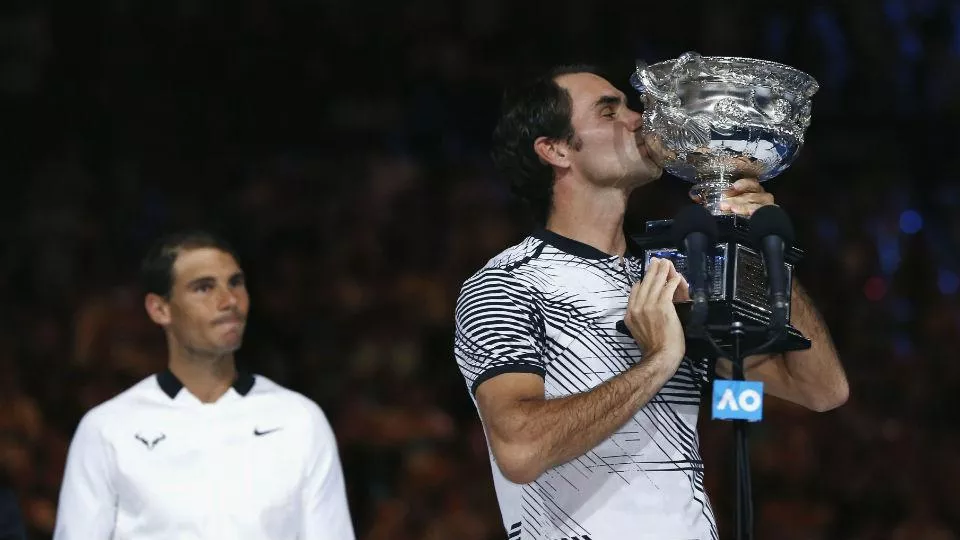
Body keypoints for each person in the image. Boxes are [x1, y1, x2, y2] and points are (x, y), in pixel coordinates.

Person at [454, 65, 849, 539]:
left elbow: (823, 390)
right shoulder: (508, 284)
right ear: (555, 149)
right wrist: (658, 361)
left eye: (631, 105)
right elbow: (520, 450)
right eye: (609, 111)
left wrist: (768, 252)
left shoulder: (677, 276)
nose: (640, 119)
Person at [53, 231, 355, 540]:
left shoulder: (300, 420)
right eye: (204, 287)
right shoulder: (107, 429)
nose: (229, 301)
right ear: (160, 309)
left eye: (235, 283)